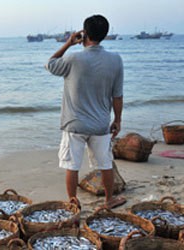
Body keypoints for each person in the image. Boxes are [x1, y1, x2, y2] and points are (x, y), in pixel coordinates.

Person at [46, 14, 126, 209]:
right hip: (100, 124)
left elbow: (50, 64)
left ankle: (73, 202)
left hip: (75, 124)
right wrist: (118, 120)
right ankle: (109, 200)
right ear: (105, 35)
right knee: (105, 164)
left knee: (72, 166)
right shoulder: (116, 60)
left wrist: (68, 44)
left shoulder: (73, 58)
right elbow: (117, 95)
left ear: (84, 34)